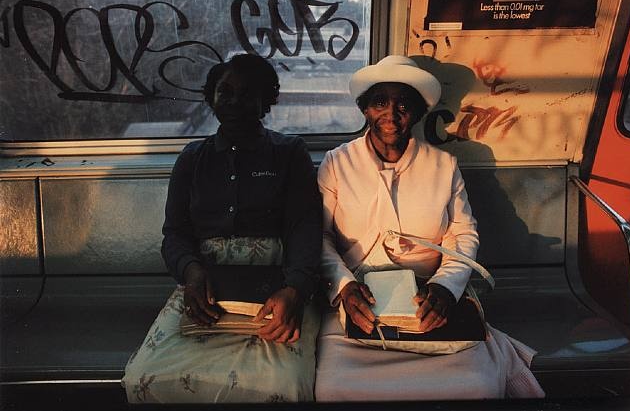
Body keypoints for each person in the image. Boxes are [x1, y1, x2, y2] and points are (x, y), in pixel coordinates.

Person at [314, 55, 545, 401]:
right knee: (333, 388)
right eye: (380, 102)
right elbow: (320, 236)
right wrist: (344, 287)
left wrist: (445, 288)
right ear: (365, 109)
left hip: (426, 301)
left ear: (419, 113)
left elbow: (463, 235)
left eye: (403, 104)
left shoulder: (443, 165)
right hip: (357, 301)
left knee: (477, 384)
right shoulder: (337, 163)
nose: (391, 114)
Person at [122, 53, 322, 403]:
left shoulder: (289, 153)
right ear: (210, 98)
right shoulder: (192, 159)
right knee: (143, 378)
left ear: (266, 101)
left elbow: (304, 229)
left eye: (247, 93)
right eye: (224, 92)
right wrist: (191, 271)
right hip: (206, 288)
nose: (233, 102)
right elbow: (176, 234)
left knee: (282, 386)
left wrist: (295, 289)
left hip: (279, 288)